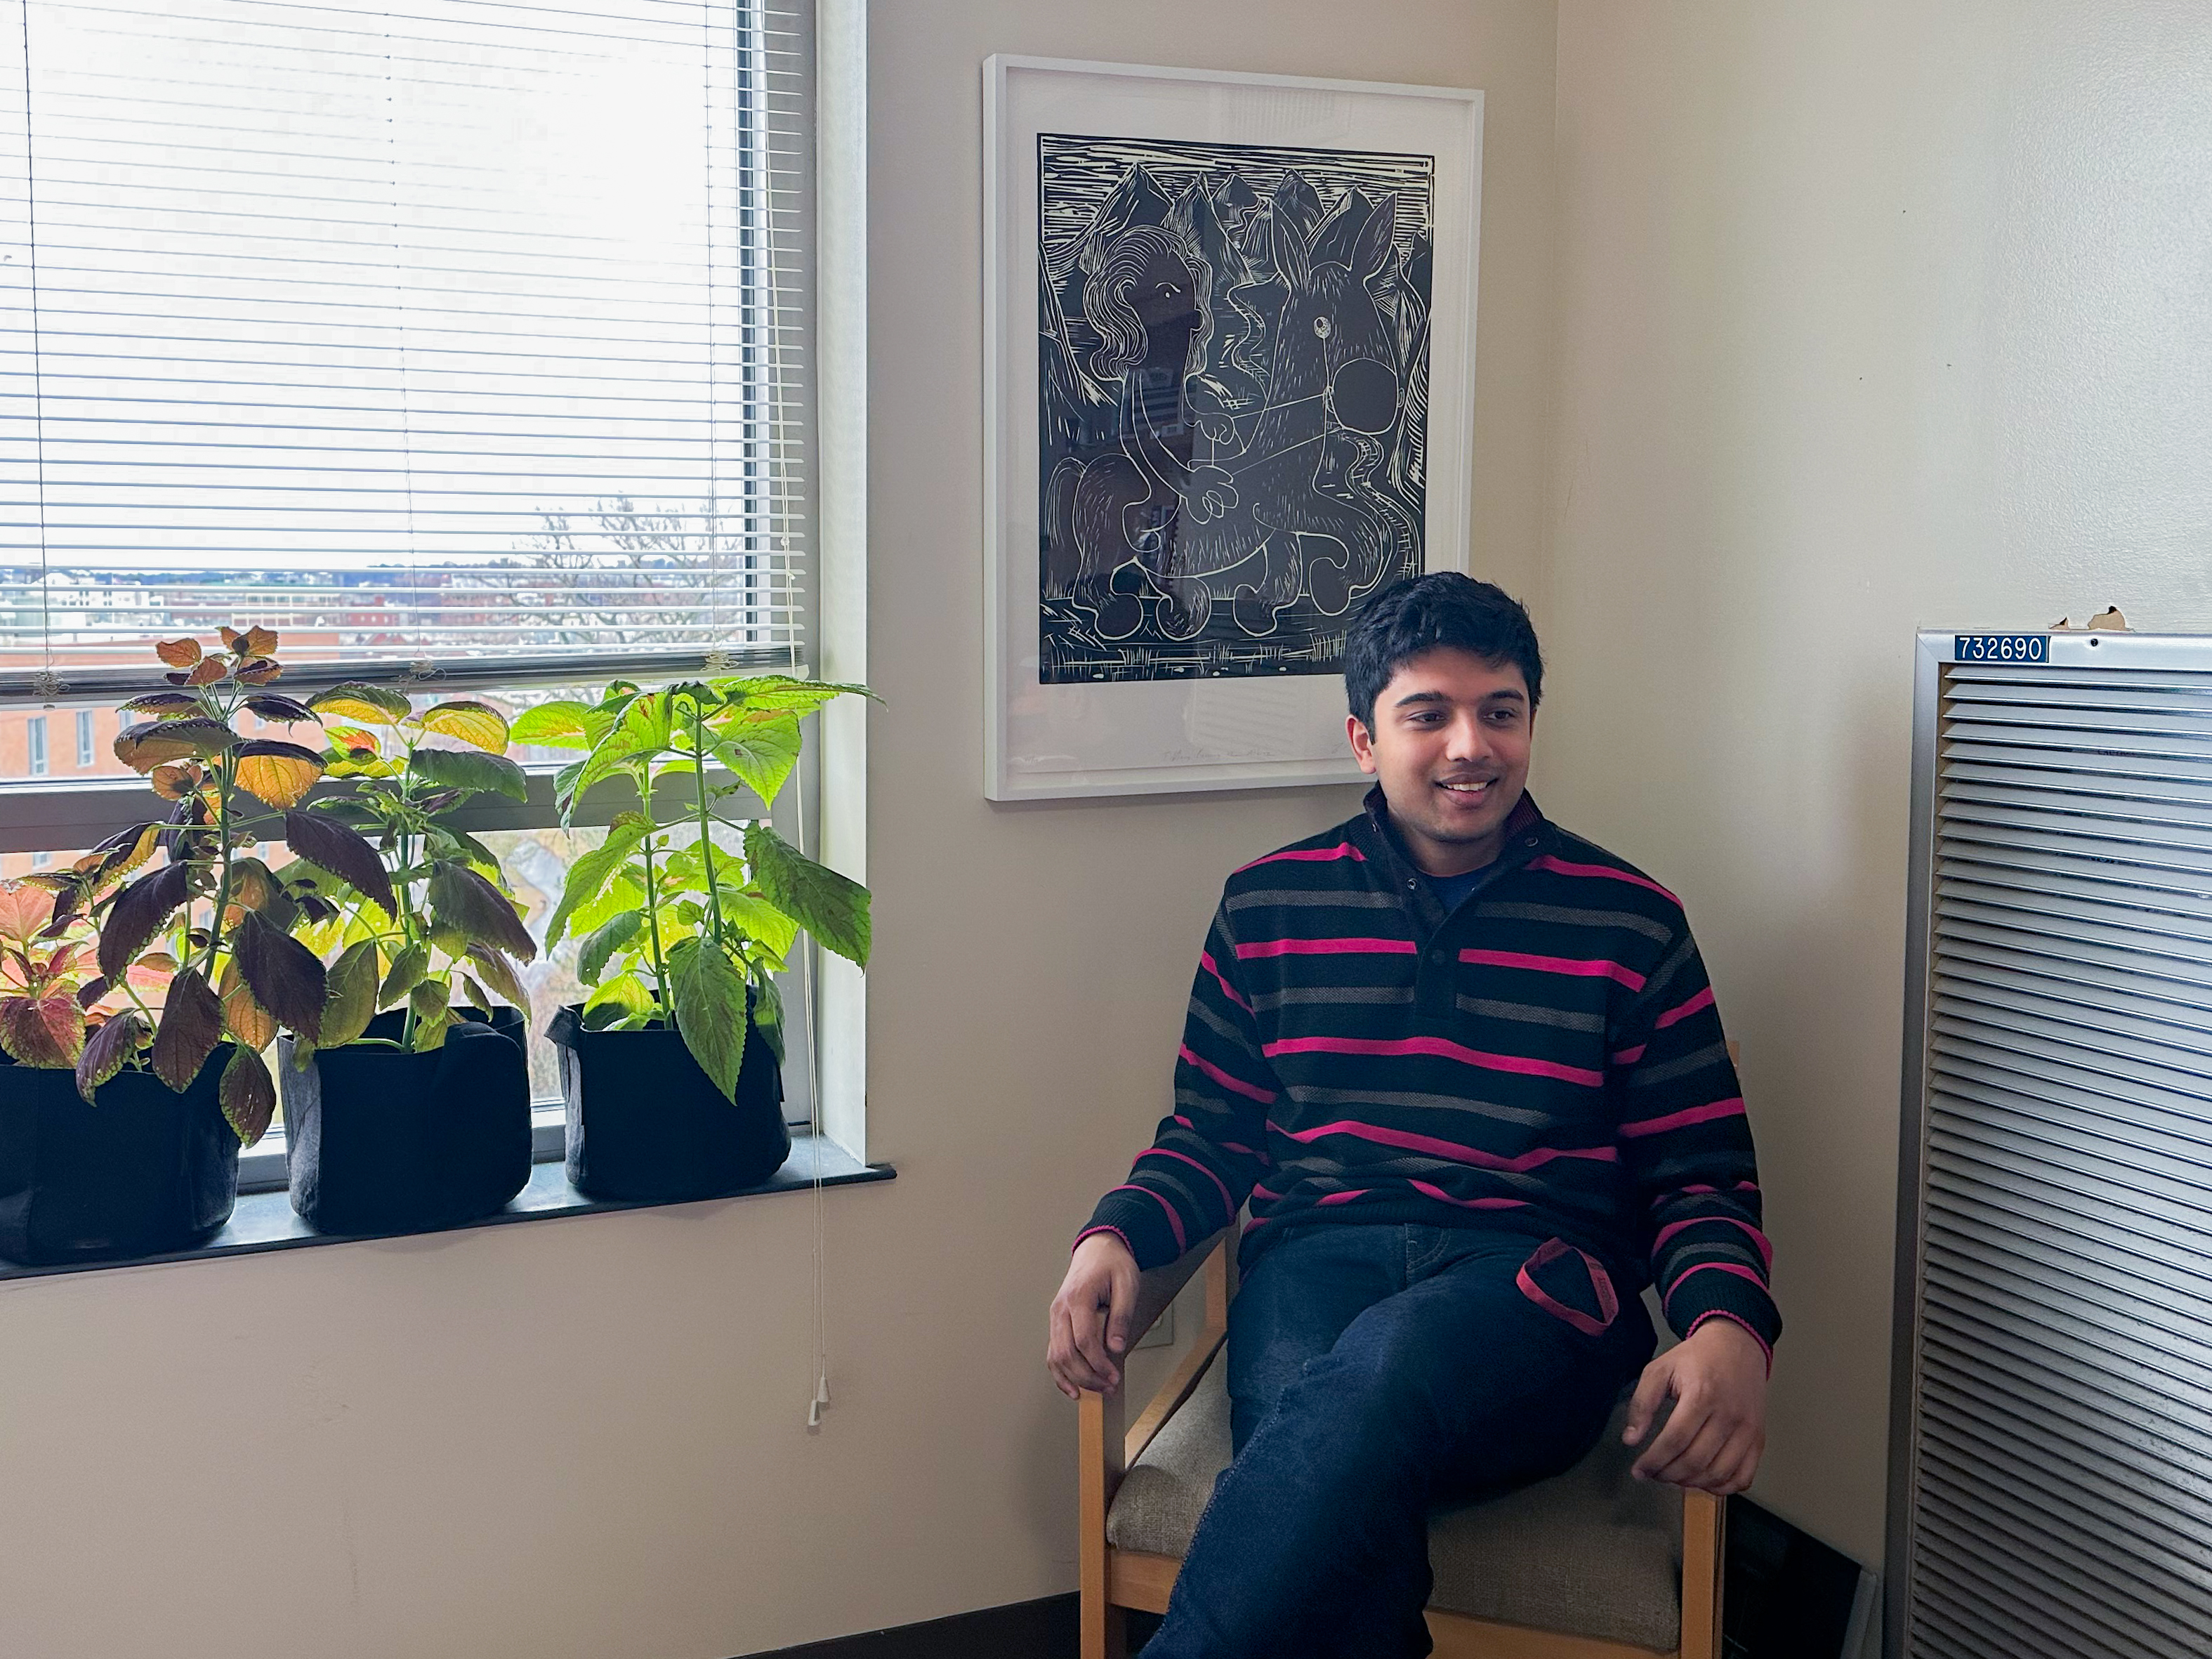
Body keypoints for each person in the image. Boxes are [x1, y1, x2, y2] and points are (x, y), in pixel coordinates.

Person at [1045, 573, 1779, 1658]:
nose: (1468, 745)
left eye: (1500, 710)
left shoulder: (1630, 921)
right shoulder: (1267, 905)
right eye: (1427, 713)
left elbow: (1700, 1172)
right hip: (1314, 1260)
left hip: (1535, 1283)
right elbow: (1211, 1132)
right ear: (1363, 736)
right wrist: (1116, 1232)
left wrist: (1729, 1323)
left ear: (1532, 720)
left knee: (1373, 1379)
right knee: (1335, 1473)